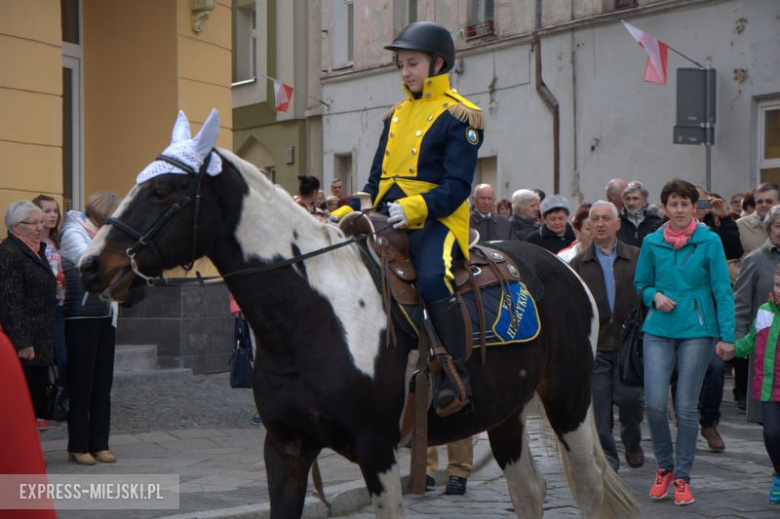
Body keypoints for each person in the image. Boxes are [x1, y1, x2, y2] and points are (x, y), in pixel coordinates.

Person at [330, 21, 483, 416]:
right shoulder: (394, 117)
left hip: (438, 220)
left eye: (412, 63)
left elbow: (456, 187)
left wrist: (415, 208)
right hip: (387, 217)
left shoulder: (461, 116)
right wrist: (344, 211)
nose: (405, 72)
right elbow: (374, 182)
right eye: (401, 65)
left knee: (433, 278)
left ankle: (455, 373)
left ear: (437, 63)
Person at [634, 179, 734, 506]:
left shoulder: (709, 241)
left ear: (694, 208)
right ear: (665, 208)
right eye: (673, 204)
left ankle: (682, 478)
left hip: (697, 330)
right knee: (652, 404)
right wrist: (654, 295)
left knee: (687, 407)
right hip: (659, 329)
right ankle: (664, 466)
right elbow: (641, 284)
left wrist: (728, 336)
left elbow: (722, 290)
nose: (678, 210)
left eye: (684, 204)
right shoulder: (651, 242)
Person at [570, 201, 644, 471]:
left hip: (629, 347)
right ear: (588, 225)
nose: (600, 224)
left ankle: (632, 442)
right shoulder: (579, 264)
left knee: (631, 401)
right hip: (597, 347)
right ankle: (609, 458)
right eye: (595, 220)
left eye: (605, 219)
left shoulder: (636, 256)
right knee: (599, 409)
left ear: (617, 224)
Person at [60, 191, 121, 465]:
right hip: (80, 316)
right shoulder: (75, 232)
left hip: (105, 314)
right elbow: (92, 263)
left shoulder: (103, 233)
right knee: (82, 383)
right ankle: (78, 444)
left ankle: (100, 442)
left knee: (102, 382)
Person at [718, 263, 780, 505]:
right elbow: (752, 340)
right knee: (772, 433)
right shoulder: (765, 310)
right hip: (769, 387)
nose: (779, 290)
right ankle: (778, 473)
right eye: (777, 284)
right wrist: (733, 348)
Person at [693, 189, 744, 450]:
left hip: (710, 312)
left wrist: (723, 218)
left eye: (703, 201)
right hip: (682, 316)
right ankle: (686, 419)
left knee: (714, 368)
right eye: (695, 201)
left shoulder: (716, 229)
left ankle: (709, 422)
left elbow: (734, 249)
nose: (699, 206)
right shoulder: (667, 231)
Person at [0, 201, 57, 431]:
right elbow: (10, 301)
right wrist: (22, 342)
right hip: (25, 344)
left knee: (34, 399)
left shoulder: (36, 250)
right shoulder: (10, 253)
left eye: (41, 223)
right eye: (33, 223)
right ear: (16, 227)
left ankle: (30, 451)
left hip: (40, 338)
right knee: (23, 400)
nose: (40, 228)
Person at [733, 205, 780, 425]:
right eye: (778, 226)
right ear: (769, 228)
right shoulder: (755, 260)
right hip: (765, 344)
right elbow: (741, 303)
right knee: (769, 420)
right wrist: (739, 337)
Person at [32, 195, 67, 392]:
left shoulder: (58, 241)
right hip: (42, 308)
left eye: (55, 211)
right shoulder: (32, 243)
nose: (53, 215)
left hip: (62, 306)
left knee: (64, 357)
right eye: (47, 211)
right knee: (44, 358)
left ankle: (63, 397)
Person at [738, 182, 779, 255]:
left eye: (769, 201)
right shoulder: (740, 226)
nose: (764, 205)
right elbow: (729, 259)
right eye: (759, 202)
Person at [617, 181, 661, 247]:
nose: (631, 203)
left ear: (645, 201)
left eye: (635, 198)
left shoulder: (655, 223)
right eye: (627, 199)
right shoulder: (618, 222)